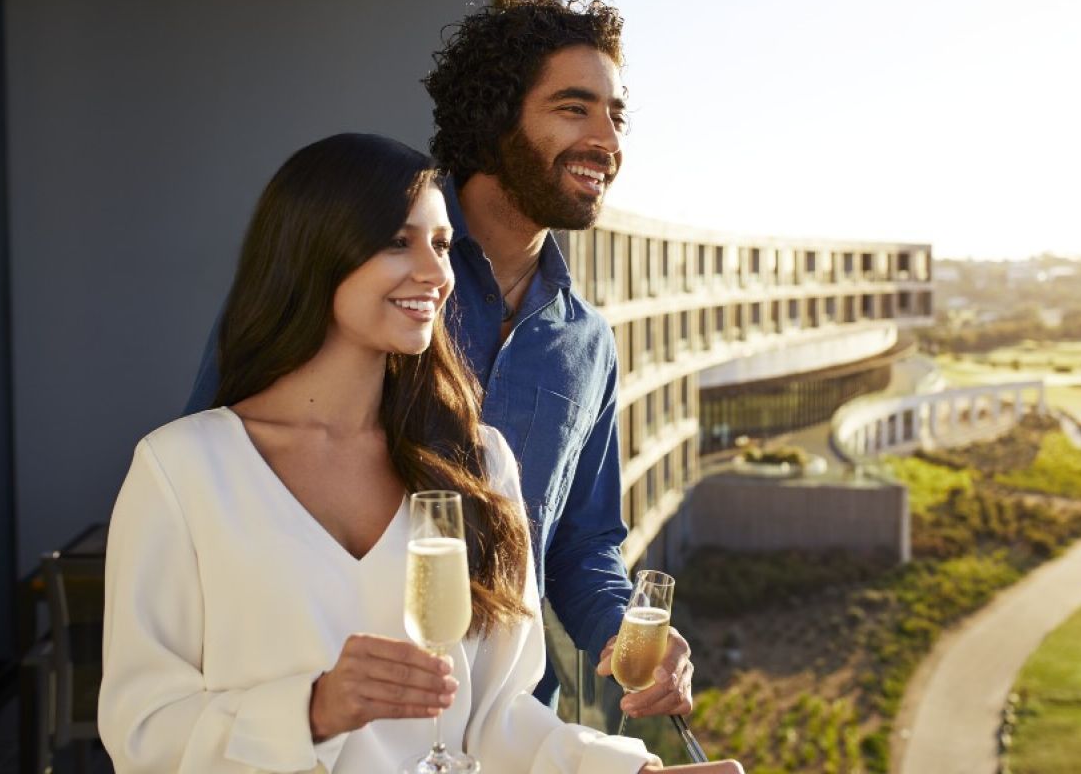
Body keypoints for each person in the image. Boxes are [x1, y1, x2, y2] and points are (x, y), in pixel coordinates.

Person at [99, 133, 741, 773]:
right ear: (313, 249)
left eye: (440, 244)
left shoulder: (480, 462)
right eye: (397, 242)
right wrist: (311, 711)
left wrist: (635, 772)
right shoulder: (182, 470)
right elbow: (142, 731)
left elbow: (497, 718)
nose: (437, 274)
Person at [185, 0, 693, 720]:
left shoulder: (586, 342)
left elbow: (581, 546)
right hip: (324, 722)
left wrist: (625, 632)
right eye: (574, 108)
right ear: (495, 121)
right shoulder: (356, 271)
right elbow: (218, 480)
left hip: (501, 729)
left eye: (615, 116)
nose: (607, 141)